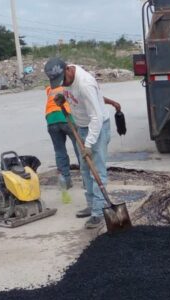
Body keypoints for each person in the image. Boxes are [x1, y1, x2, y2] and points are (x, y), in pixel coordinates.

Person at [43, 58, 122, 228]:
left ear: (67, 70)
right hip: (81, 127)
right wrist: (62, 96)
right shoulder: (66, 78)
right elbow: (69, 92)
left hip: (97, 128)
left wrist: (89, 144)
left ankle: (99, 211)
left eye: (62, 80)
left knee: (97, 169)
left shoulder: (85, 84)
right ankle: (92, 205)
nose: (62, 83)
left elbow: (97, 117)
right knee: (85, 169)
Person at [44, 84, 78, 191]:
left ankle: (65, 182)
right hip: (66, 117)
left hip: (51, 120)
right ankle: (87, 181)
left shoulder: (49, 87)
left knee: (59, 151)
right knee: (80, 149)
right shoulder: (68, 85)